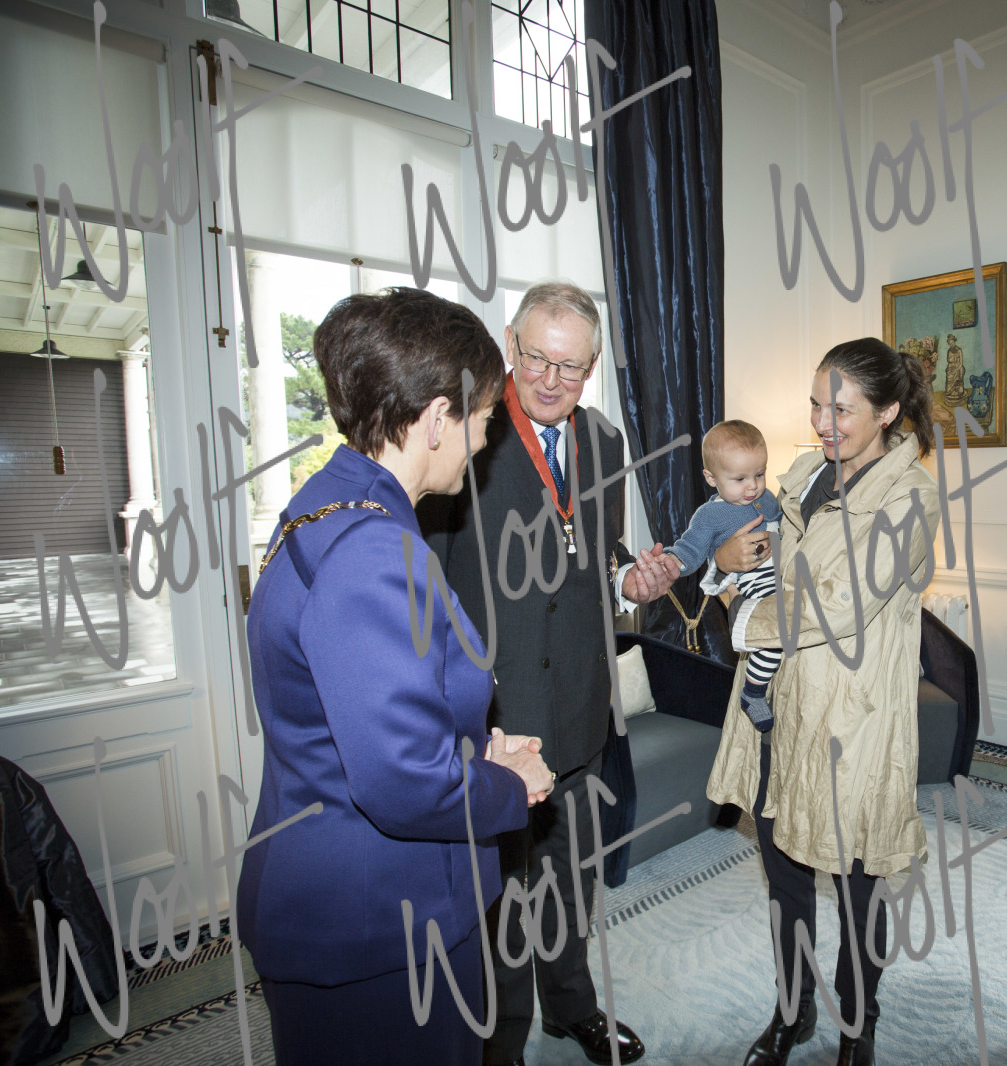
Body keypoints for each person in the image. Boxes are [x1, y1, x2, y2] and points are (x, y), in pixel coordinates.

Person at [239, 288, 554, 1066]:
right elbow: (402, 783)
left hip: (338, 891)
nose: (487, 440)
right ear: (439, 417)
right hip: (379, 921)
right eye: (487, 417)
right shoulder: (376, 554)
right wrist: (510, 785)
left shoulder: (325, 504)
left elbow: (354, 715)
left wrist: (472, 748)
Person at [418, 280, 679, 1066]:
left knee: (571, 881)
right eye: (535, 358)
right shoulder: (467, 432)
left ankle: (573, 1009)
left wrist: (629, 580)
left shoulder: (604, 440)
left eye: (571, 366)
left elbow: (592, 556)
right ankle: (501, 1042)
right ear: (510, 344)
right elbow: (430, 583)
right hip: (498, 718)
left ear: (592, 367)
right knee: (500, 899)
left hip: (580, 708)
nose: (551, 380)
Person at [704, 338, 941, 1066]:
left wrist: (748, 617)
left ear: (887, 412)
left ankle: (857, 1028)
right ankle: (793, 1011)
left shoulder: (911, 496)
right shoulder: (805, 473)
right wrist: (723, 563)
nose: (822, 422)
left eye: (841, 409)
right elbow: (763, 558)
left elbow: (844, 600)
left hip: (852, 715)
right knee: (784, 871)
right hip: (780, 702)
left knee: (858, 878)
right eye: (815, 405)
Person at [665, 419, 783, 730]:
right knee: (774, 637)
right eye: (740, 478)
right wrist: (671, 562)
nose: (752, 486)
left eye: (759, 474)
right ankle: (753, 692)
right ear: (711, 478)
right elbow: (690, 548)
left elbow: (783, 523)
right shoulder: (710, 515)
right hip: (752, 580)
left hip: (782, 570)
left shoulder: (767, 498)